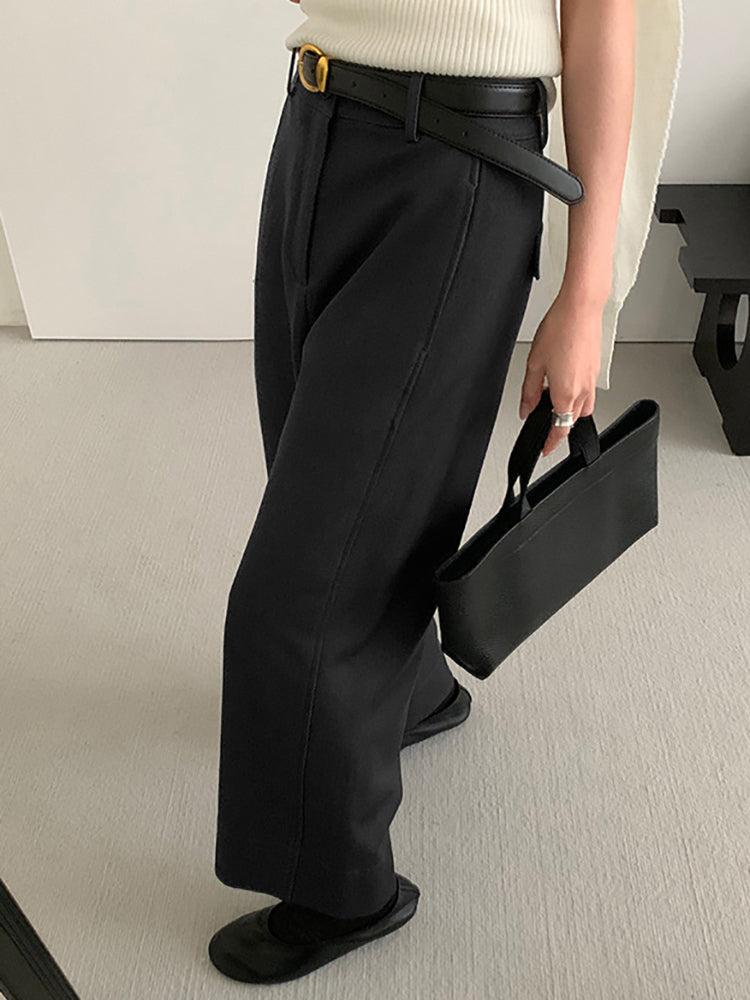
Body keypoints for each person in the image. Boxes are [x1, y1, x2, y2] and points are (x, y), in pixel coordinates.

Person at [208, 0, 682, 984]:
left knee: (299, 590)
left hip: (460, 158)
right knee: (337, 486)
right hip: (317, 118)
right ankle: (412, 687)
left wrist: (586, 294)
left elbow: (606, 25)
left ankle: (340, 886)